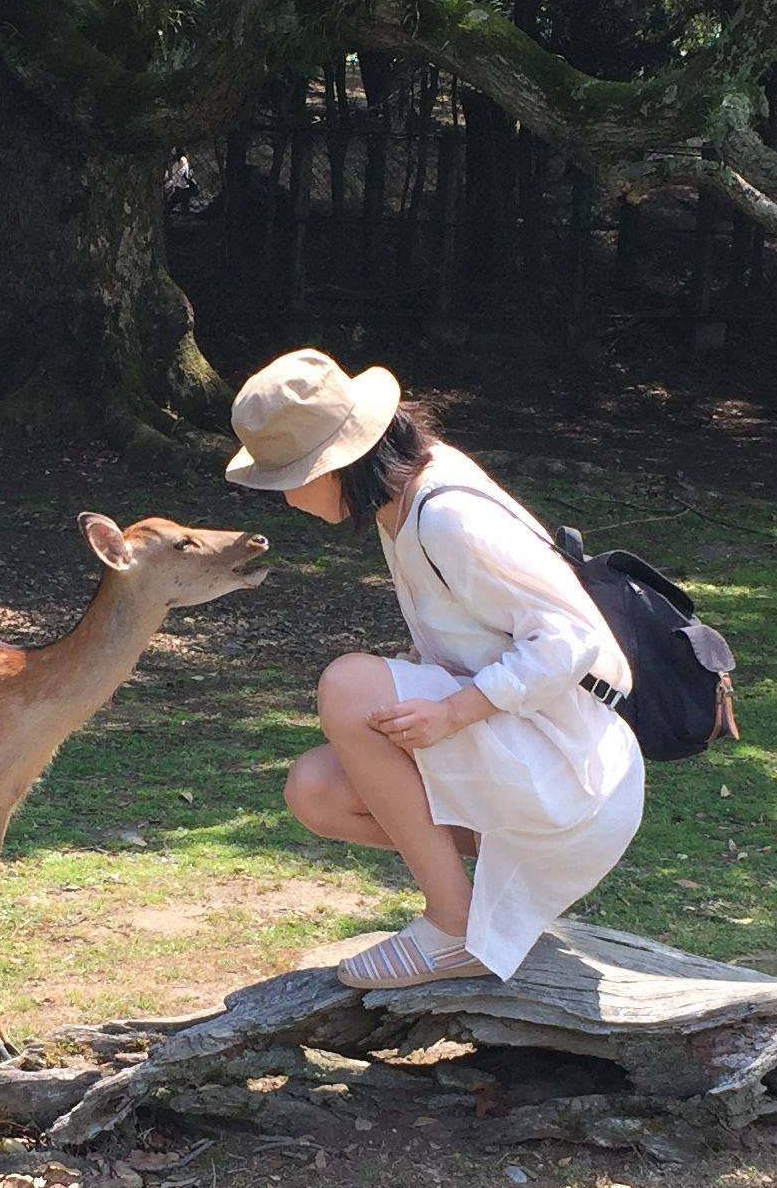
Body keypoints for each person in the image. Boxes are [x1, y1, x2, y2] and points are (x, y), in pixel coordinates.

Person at [225, 348, 643, 989]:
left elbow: (572, 641)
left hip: (579, 770)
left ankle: (453, 926)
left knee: (348, 685)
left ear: (339, 464)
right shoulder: (406, 497)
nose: (285, 497)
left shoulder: (445, 514)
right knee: (315, 789)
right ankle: (473, 912)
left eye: (289, 476)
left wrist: (454, 710)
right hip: (540, 753)